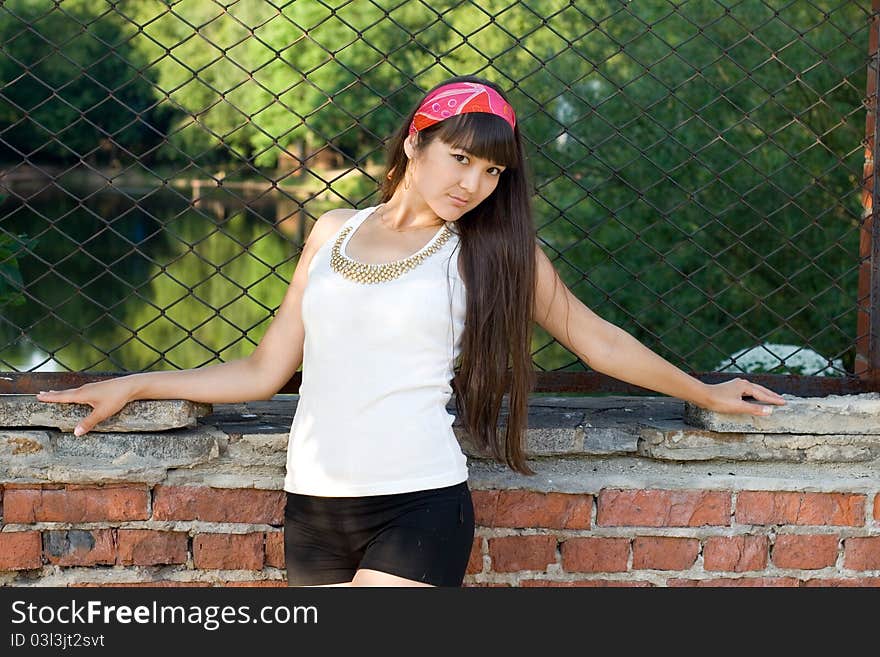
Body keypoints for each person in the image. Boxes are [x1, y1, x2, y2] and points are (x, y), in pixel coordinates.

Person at [36, 75, 786, 587]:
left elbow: (598, 340)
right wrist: (136, 380)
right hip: (313, 507)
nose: (473, 183)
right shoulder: (332, 229)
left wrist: (705, 393)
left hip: (418, 502)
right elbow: (264, 370)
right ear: (413, 145)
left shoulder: (496, 251)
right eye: (460, 158)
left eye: (492, 172)